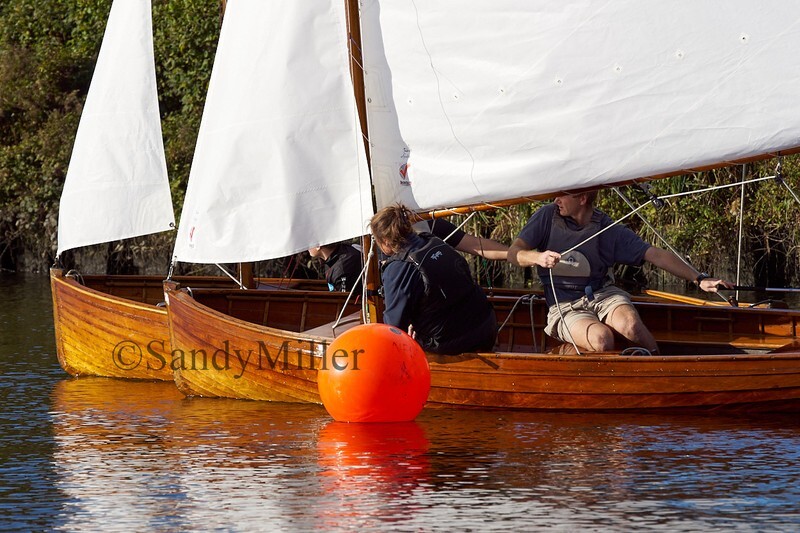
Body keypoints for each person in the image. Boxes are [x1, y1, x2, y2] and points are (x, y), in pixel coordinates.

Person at [507, 191, 733, 354]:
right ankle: (581, 360)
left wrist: (699, 278)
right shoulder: (546, 216)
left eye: (563, 195)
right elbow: (514, 253)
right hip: (565, 306)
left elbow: (653, 254)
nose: (556, 200)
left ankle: (659, 367)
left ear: (583, 199)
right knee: (601, 339)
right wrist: (538, 257)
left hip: (603, 295)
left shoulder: (607, 228)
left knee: (631, 326)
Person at [369, 204, 497, 355]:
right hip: (488, 325)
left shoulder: (398, 267)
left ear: (385, 240)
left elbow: (394, 327)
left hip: (454, 343)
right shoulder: (433, 241)